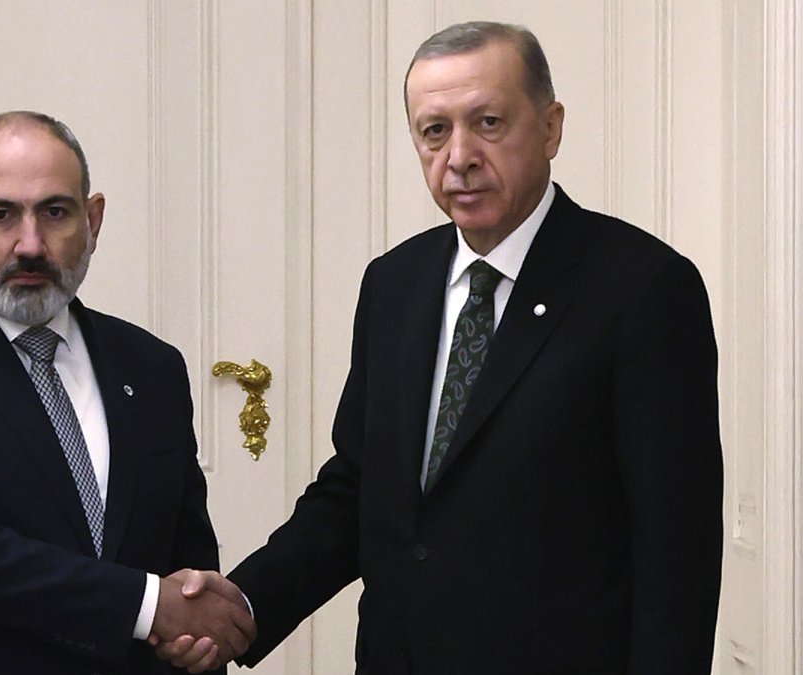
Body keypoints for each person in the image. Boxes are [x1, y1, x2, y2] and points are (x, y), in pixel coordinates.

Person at [162, 21, 723, 674]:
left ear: (550, 128)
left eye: (487, 122)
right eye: (435, 131)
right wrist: (245, 604)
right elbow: (358, 489)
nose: (459, 155)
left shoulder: (643, 289)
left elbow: (674, 556)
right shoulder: (395, 283)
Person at [0, 111, 255, 674]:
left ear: (94, 220)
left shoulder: (152, 366)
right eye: (0, 214)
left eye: (55, 212)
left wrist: (196, 635)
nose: (30, 244)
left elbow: (186, 561)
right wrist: (149, 608)